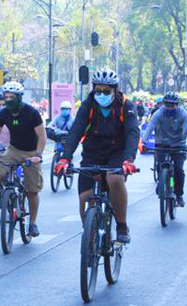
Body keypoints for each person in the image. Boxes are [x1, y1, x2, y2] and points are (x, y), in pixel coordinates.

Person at [54, 68, 140, 244]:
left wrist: (129, 160)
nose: (101, 94)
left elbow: (132, 133)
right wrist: (65, 158)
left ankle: (122, 225)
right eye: (97, 90)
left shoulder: (126, 105)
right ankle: (90, 235)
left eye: (106, 91)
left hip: (117, 154)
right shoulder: (88, 104)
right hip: (92, 153)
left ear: (115, 90)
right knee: (85, 198)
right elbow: (76, 131)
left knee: (115, 180)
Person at [0, 81, 47, 237]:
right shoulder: (3, 114)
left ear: (19, 97)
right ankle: (10, 195)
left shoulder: (32, 113)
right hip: (13, 150)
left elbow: (42, 136)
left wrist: (38, 155)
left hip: (31, 152)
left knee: (33, 190)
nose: (8, 100)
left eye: (11, 97)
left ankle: (32, 223)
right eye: (6, 97)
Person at [141, 92, 187, 207]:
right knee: (160, 165)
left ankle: (179, 195)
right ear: (164, 104)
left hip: (179, 145)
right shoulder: (158, 113)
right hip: (162, 143)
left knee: (178, 169)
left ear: (177, 105)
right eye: (167, 105)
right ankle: (162, 180)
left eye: (173, 105)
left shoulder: (183, 114)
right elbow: (150, 127)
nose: (170, 108)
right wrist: (144, 142)